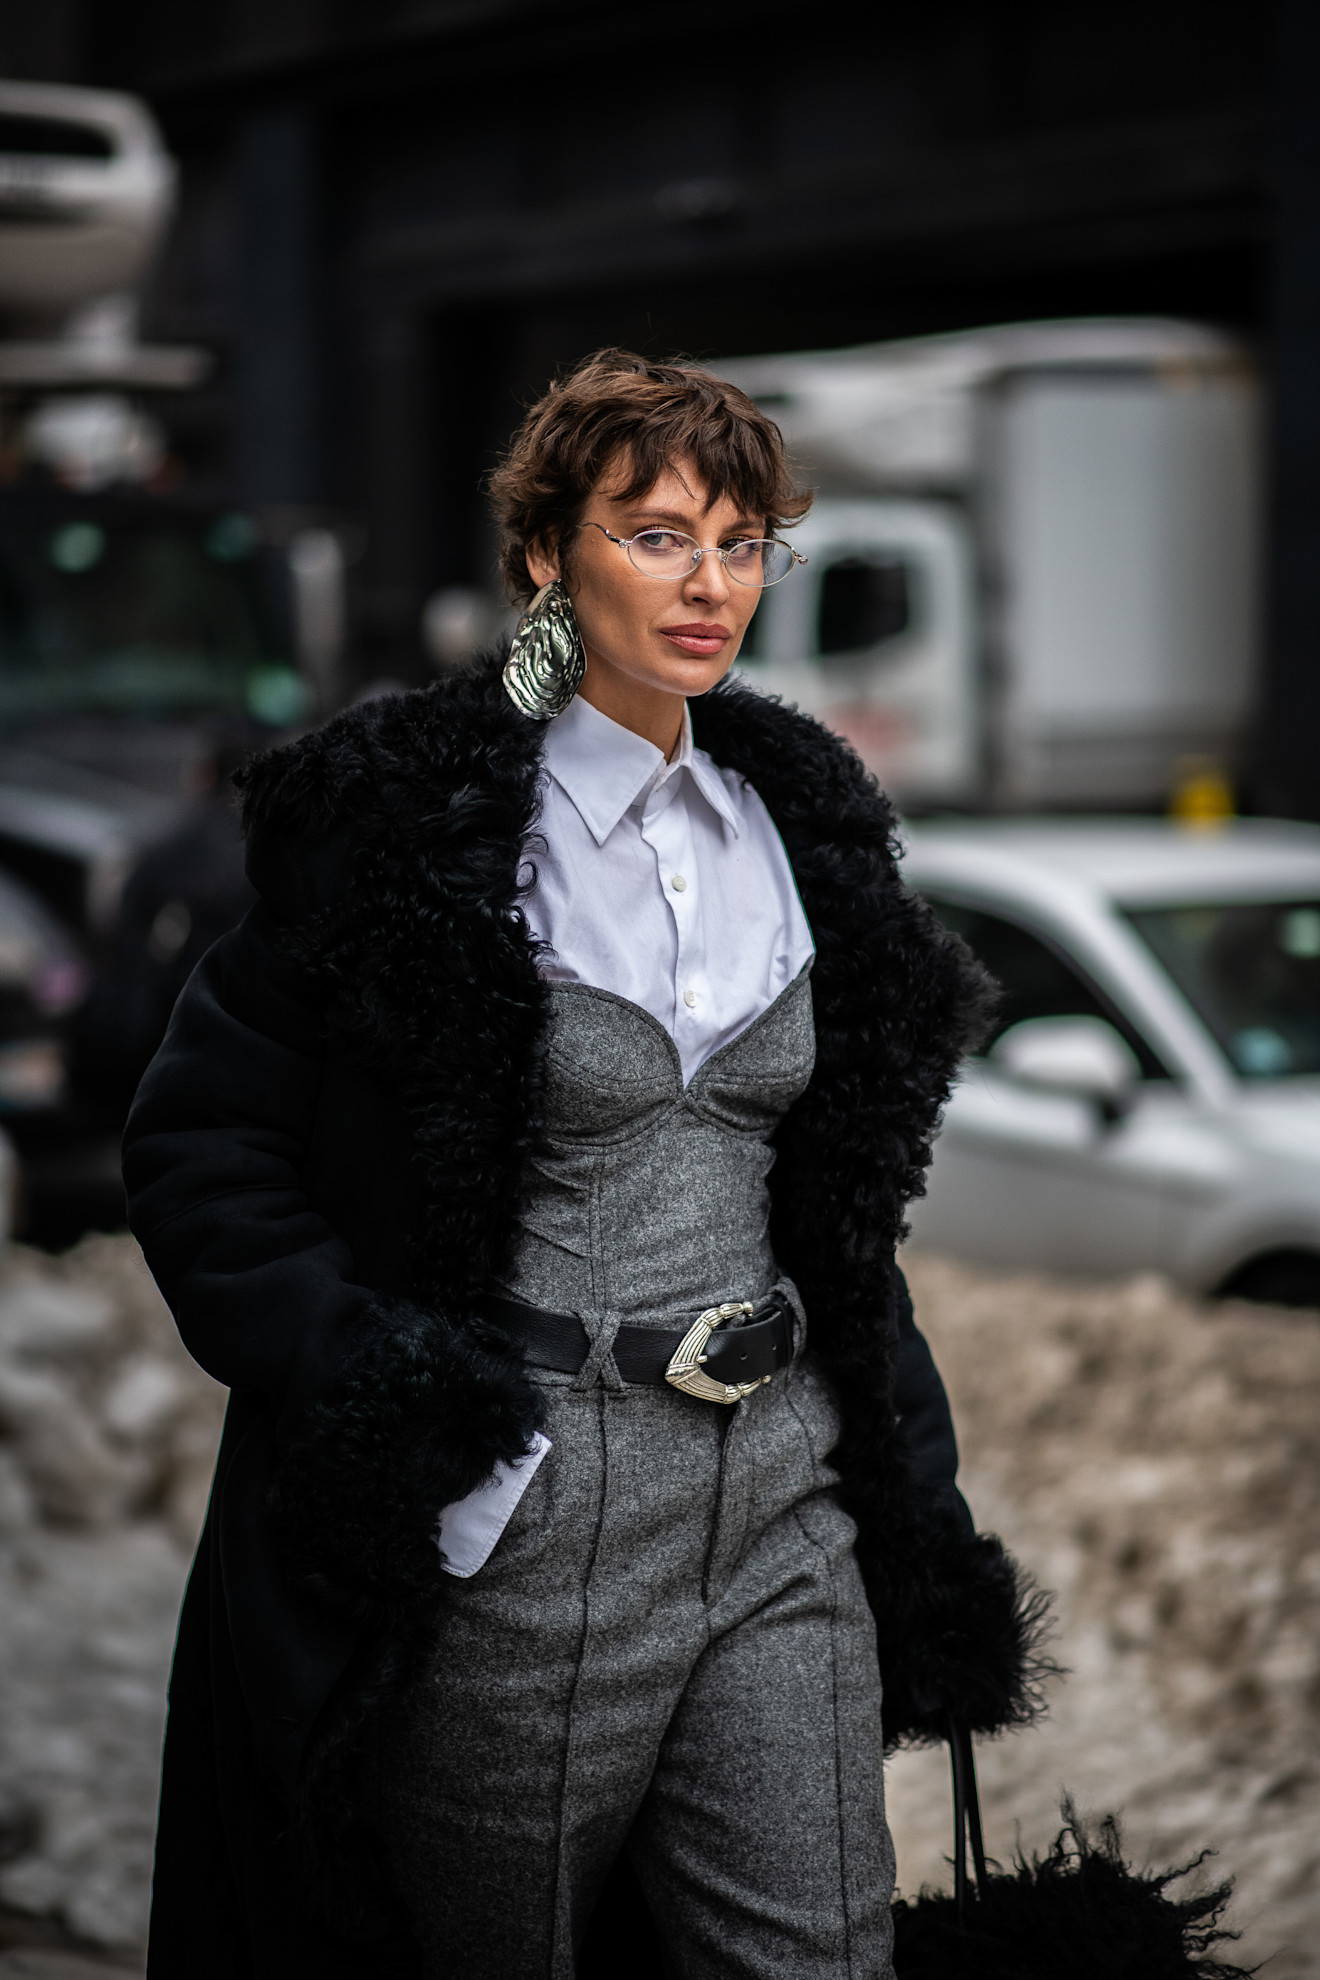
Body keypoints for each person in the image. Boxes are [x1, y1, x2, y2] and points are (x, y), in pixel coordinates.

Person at [124, 351, 1039, 1980]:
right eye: (657, 535)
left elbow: (841, 1219)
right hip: (527, 1507)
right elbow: (204, 1138)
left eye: (744, 542)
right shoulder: (410, 824)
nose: (710, 584)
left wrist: (917, 1501)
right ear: (549, 552)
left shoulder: (802, 827)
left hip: (777, 1499)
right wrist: (389, 1398)